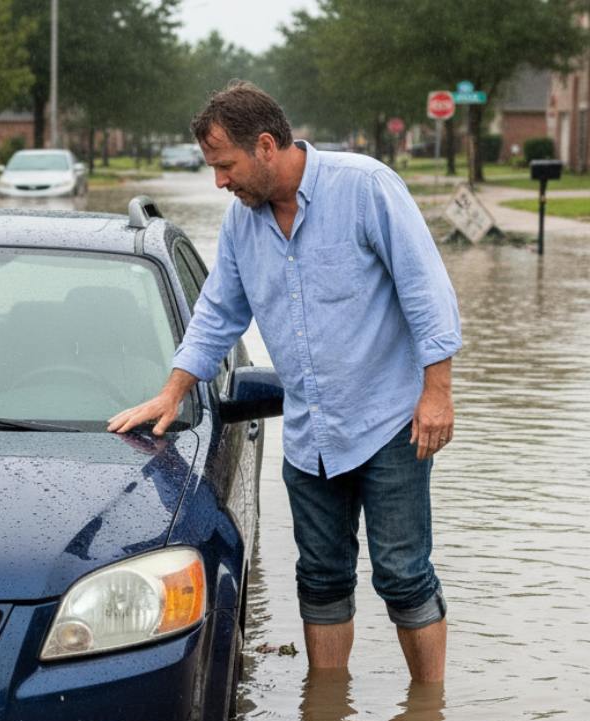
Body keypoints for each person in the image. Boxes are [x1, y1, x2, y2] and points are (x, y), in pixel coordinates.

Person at [108, 82, 461, 682]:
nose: (220, 182)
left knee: (403, 573)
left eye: (225, 166)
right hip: (310, 434)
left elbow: (426, 292)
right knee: (320, 578)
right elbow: (218, 314)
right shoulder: (243, 224)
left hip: (390, 423)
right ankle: (326, 718)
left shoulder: (365, 187)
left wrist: (437, 392)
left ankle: (428, 718)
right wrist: (172, 391)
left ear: (266, 145)